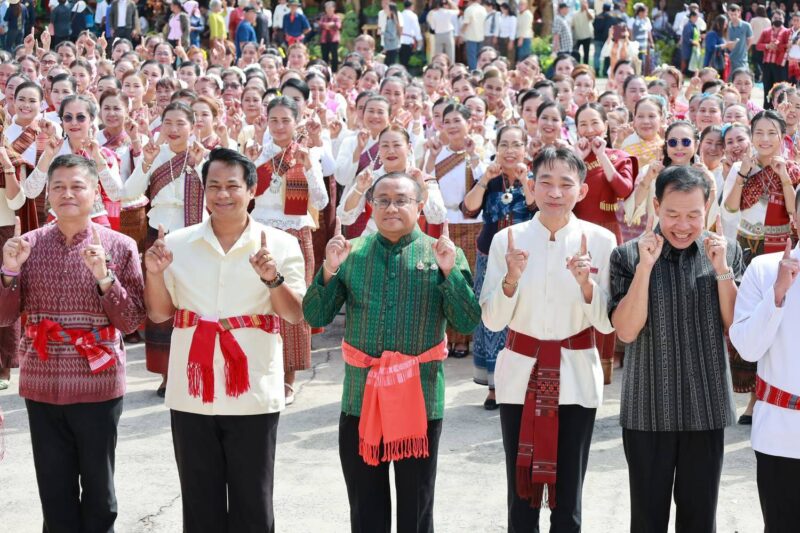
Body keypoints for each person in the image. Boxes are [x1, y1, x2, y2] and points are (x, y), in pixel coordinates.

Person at [303, 170, 481, 533]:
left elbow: (466, 321)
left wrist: (449, 273)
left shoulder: (442, 253)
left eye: (401, 200)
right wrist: (329, 269)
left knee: (416, 506)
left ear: (420, 205)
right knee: (365, 506)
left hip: (420, 398)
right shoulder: (352, 253)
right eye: (382, 200)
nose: (391, 208)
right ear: (370, 205)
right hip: (360, 397)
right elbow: (316, 316)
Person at [144, 147, 306, 532]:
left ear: (252, 190)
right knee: (199, 502)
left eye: (232, 186)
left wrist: (272, 279)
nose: (223, 194)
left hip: (252, 391)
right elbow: (159, 313)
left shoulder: (281, 245)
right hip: (191, 390)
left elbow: (294, 313)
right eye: (214, 185)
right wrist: (154, 273)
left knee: (253, 502)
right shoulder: (177, 244)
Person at [0, 154, 145, 532]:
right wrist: (10, 271)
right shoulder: (26, 246)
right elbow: (4, 318)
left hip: (98, 383)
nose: (67, 194)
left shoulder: (120, 246)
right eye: (59, 187)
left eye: (77, 186)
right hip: (42, 382)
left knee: (100, 494)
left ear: (95, 192)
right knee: (54, 494)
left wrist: (105, 279)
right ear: (47, 194)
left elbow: (132, 321)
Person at [481, 146, 617, 531]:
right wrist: (511, 279)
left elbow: (607, 324)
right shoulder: (507, 240)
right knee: (520, 494)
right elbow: (492, 320)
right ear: (531, 186)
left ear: (582, 191)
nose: (555, 192)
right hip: (520, 374)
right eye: (545, 182)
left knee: (569, 496)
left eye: (566, 184)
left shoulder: (600, 241)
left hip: (576, 374)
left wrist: (586, 284)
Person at [610, 165, 743, 532]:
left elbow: (737, 329)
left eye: (693, 215)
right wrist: (645, 269)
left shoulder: (727, 252)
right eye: (672, 214)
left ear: (708, 208)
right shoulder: (627, 256)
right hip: (647, 409)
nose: (682, 226)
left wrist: (722, 270)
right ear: (656, 206)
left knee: (700, 519)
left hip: (707, 408)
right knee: (647, 519)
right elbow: (626, 331)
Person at [729, 193, 800, 533]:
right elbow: (748, 348)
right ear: (795, 219)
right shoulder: (765, 268)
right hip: (781, 433)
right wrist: (778, 294)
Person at [462, 125, 536, 409]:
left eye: (516, 144)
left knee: (522, 316)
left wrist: (525, 181)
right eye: (504, 144)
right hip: (490, 257)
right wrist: (484, 180)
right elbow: (469, 208)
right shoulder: (489, 178)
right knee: (492, 314)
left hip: (524, 258)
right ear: (496, 148)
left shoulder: (534, 178)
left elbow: (538, 209)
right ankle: (494, 386)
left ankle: (522, 384)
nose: (509, 150)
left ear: (525, 149)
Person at [756, 9, 791, 109]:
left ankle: (780, 110)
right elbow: (758, 46)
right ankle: (767, 110)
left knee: (780, 89)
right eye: (775, 18)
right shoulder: (766, 31)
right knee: (767, 88)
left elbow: (789, 46)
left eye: (780, 18)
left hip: (780, 65)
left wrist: (778, 46)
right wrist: (767, 46)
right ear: (771, 18)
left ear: (784, 19)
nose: (777, 19)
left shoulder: (787, 32)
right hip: (767, 64)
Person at [727, 4, 754, 73]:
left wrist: (745, 50)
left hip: (742, 60)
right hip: (729, 59)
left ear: (739, 13)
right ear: (728, 14)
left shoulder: (746, 26)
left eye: (735, 14)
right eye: (731, 14)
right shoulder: (727, 26)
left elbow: (750, 40)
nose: (733, 17)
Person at [461, 0, 487, 71]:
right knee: (479, 56)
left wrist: (461, 33)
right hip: (481, 36)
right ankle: (480, 71)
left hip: (471, 36)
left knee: (471, 56)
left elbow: (466, 23)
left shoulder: (469, 9)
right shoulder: (483, 9)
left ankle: (473, 72)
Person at [319, 1, 341, 72]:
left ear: (333, 8)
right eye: (327, 8)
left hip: (334, 40)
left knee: (334, 56)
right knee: (324, 56)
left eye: (330, 7)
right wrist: (330, 25)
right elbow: (320, 25)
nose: (328, 9)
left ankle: (334, 71)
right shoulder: (323, 17)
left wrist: (329, 25)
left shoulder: (336, 17)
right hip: (324, 40)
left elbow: (338, 25)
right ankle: (325, 71)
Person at [572, 0, 594, 66]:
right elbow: (572, 26)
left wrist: (586, 10)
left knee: (586, 53)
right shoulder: (575, 13)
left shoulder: (590, 11)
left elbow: (591, 18)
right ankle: (576, 66)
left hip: (587, 36)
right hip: (578, 36)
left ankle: (585, 67)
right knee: (576, 53)